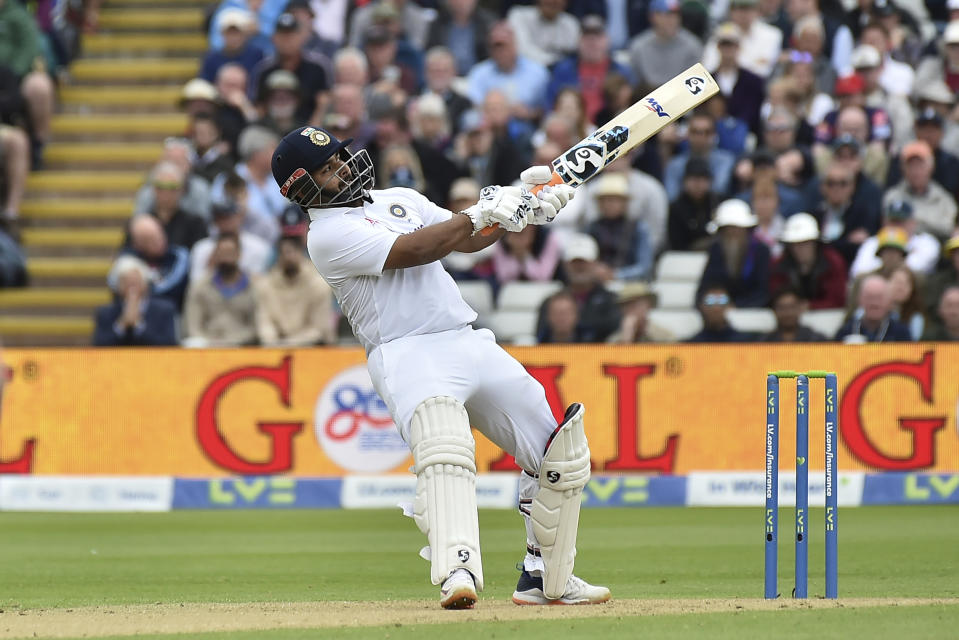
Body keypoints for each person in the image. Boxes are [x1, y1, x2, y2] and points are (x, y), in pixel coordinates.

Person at [270, 125, 608, 608]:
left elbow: (467, 240)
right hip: (406, 351)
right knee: (445, 449)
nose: (342, 168)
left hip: (464, 337)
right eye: (327, 169)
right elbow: (417, 249)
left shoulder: (397, 198)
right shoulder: (326, 236)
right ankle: (457, 571)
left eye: (340, 158)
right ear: (300, 189)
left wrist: (522, 207)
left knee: (559, 451)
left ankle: (545, 577)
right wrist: (479, 212)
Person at [254, 235, 336, 346]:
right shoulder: (265, 286)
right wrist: (272, 342)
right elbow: (265, 322)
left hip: (314, 348)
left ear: (301, 253)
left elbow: (319, 328)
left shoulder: (319, 285)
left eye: (292, 252)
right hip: (276, 348)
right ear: (278, 257)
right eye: (283, 253)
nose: (288, 257)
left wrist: (289, 344)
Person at [541, 233, 621, 342]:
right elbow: (541, 335)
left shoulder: (611, 300)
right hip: (555, 356)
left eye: (584, 262)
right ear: (565, 264)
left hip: (600, 356)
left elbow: (614, 330)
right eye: (574, 262)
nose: (579, 267)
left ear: (595, 263)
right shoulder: (550, 302)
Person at [183, 232, 259, 347]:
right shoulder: (200, 286)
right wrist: (206, 341)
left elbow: (258, 325)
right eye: (222, 253)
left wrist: (233, 342)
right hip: (207, 348)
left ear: (239, 254)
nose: (226, 258)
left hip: (244, 347)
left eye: (230, 252)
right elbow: (192, 325)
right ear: (215, 254)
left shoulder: (254, 286)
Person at [698, 199, 771, 308]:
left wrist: (737, 305)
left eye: (737, 228)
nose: (732, 233)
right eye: (728, 229)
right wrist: (715, 304)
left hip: (751, 311)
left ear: (746, 230)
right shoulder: (716, 250)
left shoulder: (761, 251)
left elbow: (763, 292)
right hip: (719, 309)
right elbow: (706, 286)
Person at [882, 140, 958, 242]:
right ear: (902, 168)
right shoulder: (893, 195)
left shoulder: (943, 198)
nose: (915, 170)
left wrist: (912, 222)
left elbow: (950, 228)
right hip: (900, 247)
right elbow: (889, 226)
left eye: (920, 165)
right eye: (910, 165)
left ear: (931, 167)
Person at [93, 256, 178, 347]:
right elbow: (99, 345)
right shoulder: (106, 312)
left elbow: (169, 344)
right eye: (126, 283)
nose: (132, 288)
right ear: (118, 286)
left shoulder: (164, 309)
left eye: (135, 282)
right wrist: (122, 325)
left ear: (145, 283)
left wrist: (138, 325)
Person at [769, 212, 846, 309]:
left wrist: (810, 306)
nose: (798, 249)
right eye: (793, 244)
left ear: (815, 243)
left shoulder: (833, 262)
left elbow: (837, 300)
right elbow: (776, 297)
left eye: (804, 243)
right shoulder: (779, 264)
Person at [585, 173, 653, 281]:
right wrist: (596, 271)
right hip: (597, 283)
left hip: (630, 285)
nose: (608, 204)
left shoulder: (638, 228)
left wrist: (616, 275)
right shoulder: (591, 228)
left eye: (614, 200)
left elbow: (644, 267)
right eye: (604, 200)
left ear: (625, 203)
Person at [849, 199, 940, 279]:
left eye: (901, 222)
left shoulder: (926, 242)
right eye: (892, 221)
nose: (896, 227)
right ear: (883, 222)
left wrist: (882, 266)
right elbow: (858, 273)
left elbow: (916, 268)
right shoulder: (872, 242)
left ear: (913, 223)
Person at [189, 198, 271, 283]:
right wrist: (211, 267)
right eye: (220, 218)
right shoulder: (201, 248)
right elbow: (195, 284)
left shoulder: (258, 247)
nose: (225, 223)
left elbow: (258, 284)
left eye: (228, 217)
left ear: (240, 217)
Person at [628, 0, 702, 90]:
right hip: (647, 98)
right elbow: (636, 84)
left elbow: (695, 83)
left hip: (682, 97)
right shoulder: (639, 47)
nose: (672, 19)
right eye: (667, 14)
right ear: (653, 17)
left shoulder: (692, 45)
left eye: (676, 15)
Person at [835, 273, 912, 342]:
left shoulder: (901, 333)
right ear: (859, 300)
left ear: (890, 301)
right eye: (869, 297)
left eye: (879, 298)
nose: (875, 303)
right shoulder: (846, 331)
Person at [668, 157, 717, 251]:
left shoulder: (717, 202)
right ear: (685, 181)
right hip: (685, 257)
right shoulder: (676, 208)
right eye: (694, 180)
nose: (698, 185)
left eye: (703, 179)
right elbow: (676, 244)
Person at [607, 282, 674, 343]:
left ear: (648, 306)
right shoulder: (614, 341)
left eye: (636, 305)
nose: (631, 310)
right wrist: (626, 338)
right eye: (626, 306)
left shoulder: (665, 337)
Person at [759, 286, 827, 342]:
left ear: (800, 308)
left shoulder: (817, 340)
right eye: (782, 308)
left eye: (792, 307)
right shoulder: (765, 341)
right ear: (774, 310)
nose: (788, 313)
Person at [686, 285, 751, 342]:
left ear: (731, 305)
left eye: (722, 301)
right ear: (701, 306)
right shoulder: (690, 346)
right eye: (710, 301)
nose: (716, 308)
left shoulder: (747, 343)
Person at [888, 265, 925, 340]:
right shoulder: (875, 311)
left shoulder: (916, 319)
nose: (900, 287)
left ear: (912, 290)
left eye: (905, 283)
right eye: (897, 282)